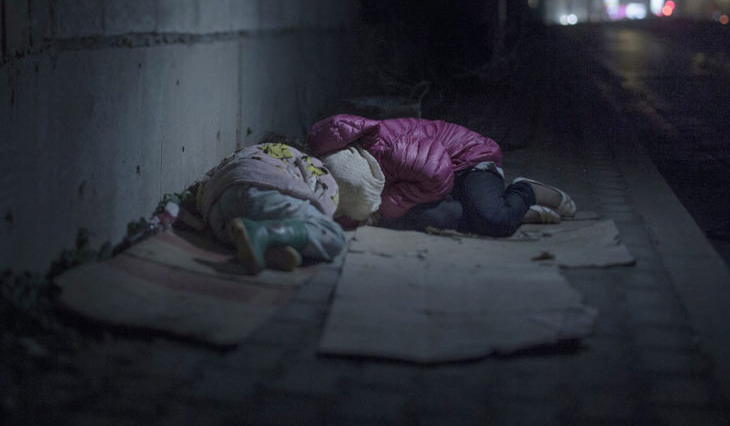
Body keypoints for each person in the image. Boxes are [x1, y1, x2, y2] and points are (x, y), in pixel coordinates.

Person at [307, 115, 576, 237]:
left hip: (467, 161)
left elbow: (439, 175)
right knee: (428, 219)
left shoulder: (392, 150)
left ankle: (525, 191)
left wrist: (384, 206)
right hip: (424, 183)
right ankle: (508, 209)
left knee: (496, 222)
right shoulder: (337, 165)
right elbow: (350, 206)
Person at [196, 142, 346, 274]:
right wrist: (321, 221)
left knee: (245, 229)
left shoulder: (241, 153)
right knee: (333, 235)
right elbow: (326, 196)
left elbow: (203, 184)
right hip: (264, 193)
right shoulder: (307, 160)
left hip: (219, 213)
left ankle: (265, 246)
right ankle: (265, 233)